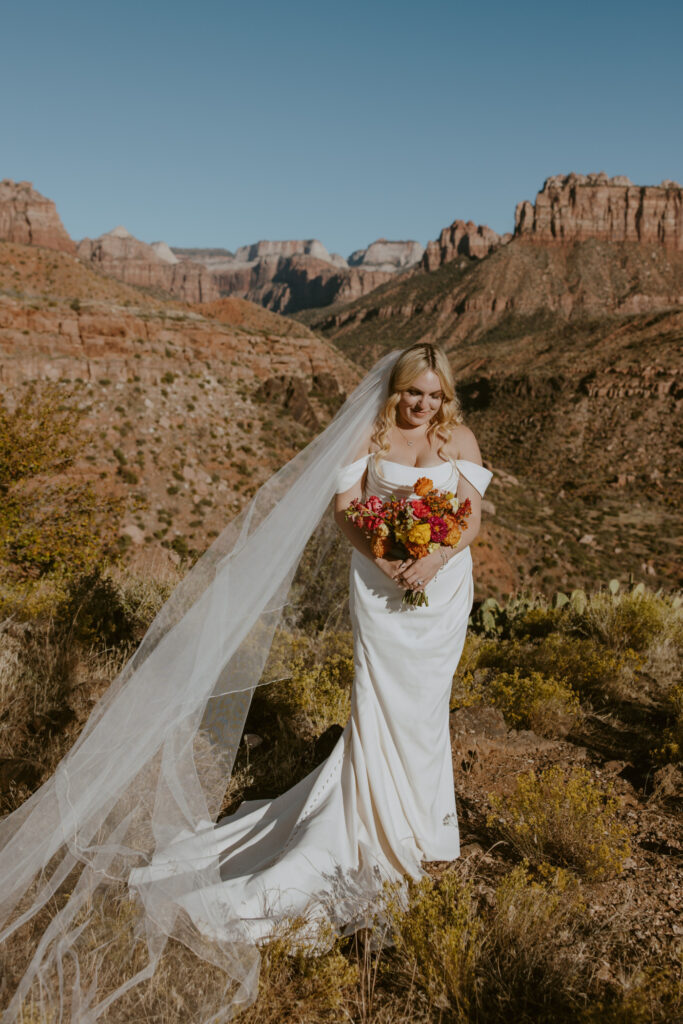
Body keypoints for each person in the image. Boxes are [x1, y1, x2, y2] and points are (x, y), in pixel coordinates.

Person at [0, 343, 491, 1023]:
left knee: (425, 704)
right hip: (377, 593)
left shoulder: (456, 437)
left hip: (438, 593)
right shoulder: (369, 433)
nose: (423, 406)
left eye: (435, 396)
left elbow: (466, 518)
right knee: (377, 704)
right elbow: (346, 510)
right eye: (414, 393)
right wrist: (381, 552)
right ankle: (368, 826)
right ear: (396, 389)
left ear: (446, 398)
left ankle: (422, 826)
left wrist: (431, 562)